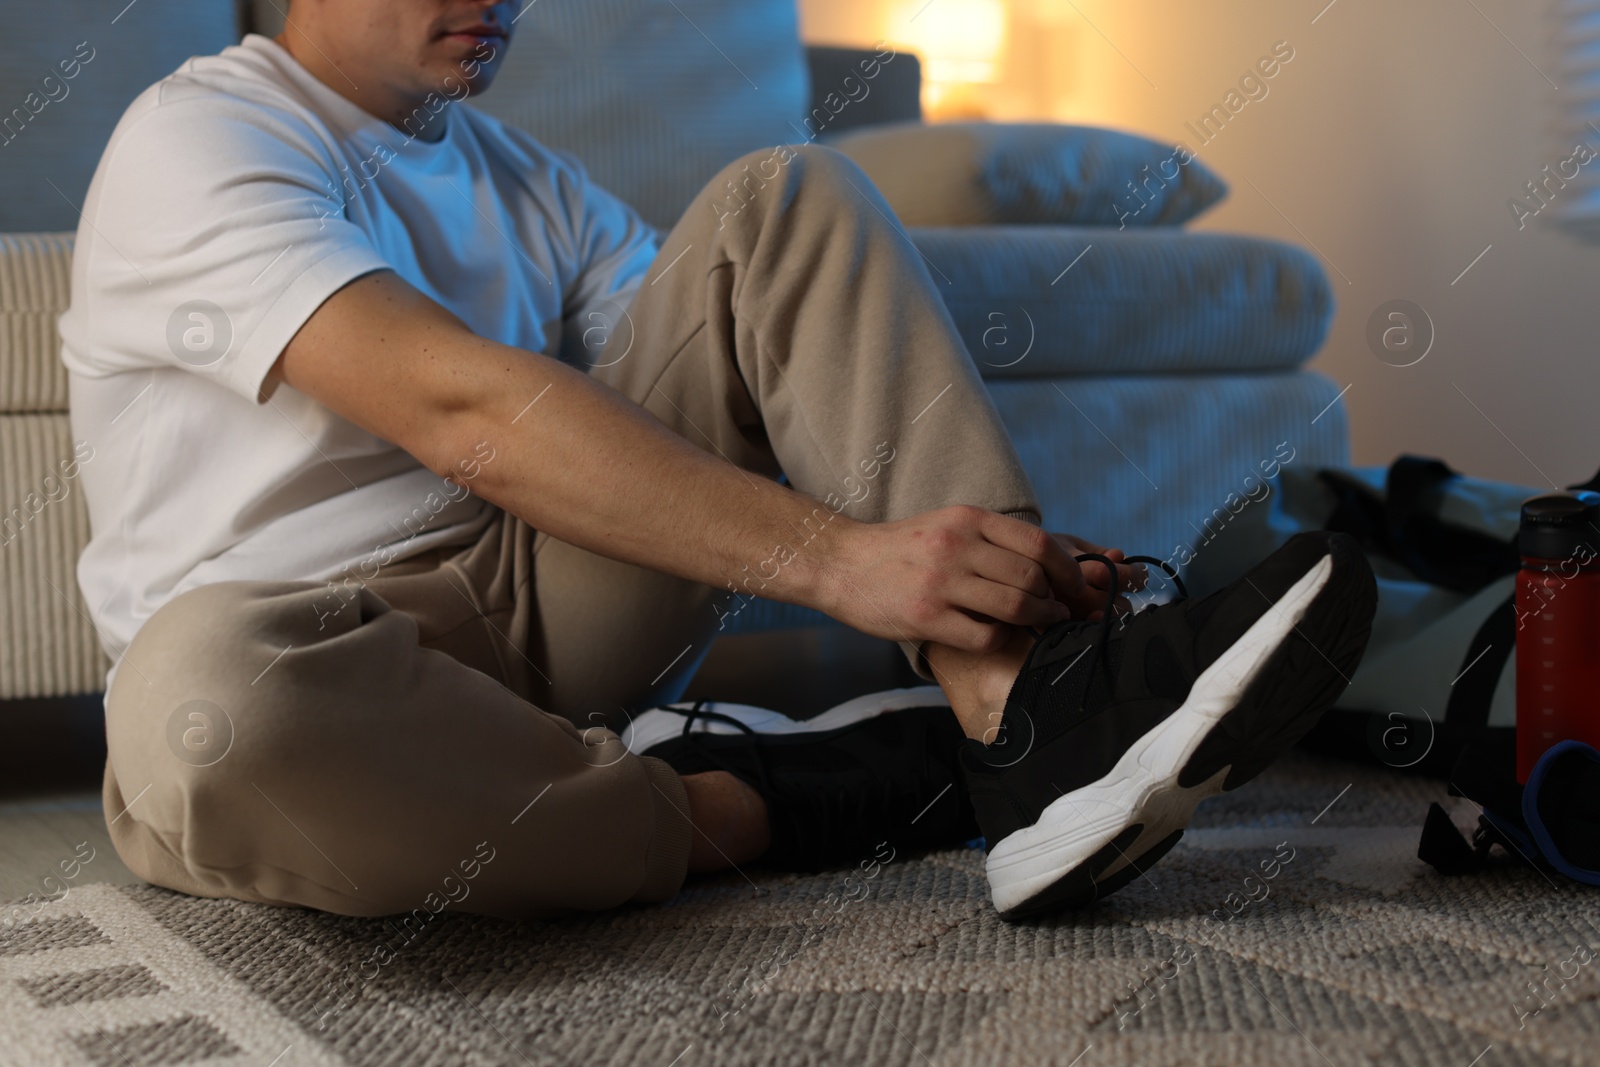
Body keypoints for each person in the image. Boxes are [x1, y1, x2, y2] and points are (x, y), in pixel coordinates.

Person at [61, 0, 1377, 923]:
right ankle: (773, 799)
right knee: (209, 716)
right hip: (298, 655)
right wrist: (848, 567)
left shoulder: (528, 178)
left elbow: (761, 358)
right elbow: (463, 413)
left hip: (533, 603)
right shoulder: (201, 139)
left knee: (780, 204)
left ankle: (1027, 709)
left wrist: (985, 563)